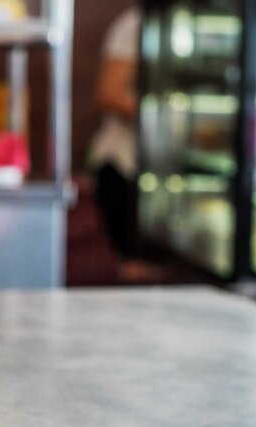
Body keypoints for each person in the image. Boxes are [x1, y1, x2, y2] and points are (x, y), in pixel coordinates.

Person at [89, 6, 141, 259]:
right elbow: (108, 93)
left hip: (163, 171)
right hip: (123, 165)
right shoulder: (134, 24)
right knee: (137, 268)